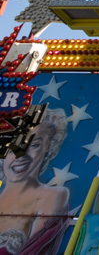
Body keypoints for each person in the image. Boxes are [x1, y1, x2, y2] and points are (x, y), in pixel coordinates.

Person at [0, 108, 69, 255]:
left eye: (34, 145)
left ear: (48, 150)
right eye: (14, 145)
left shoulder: (52, 196)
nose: (21, 155)